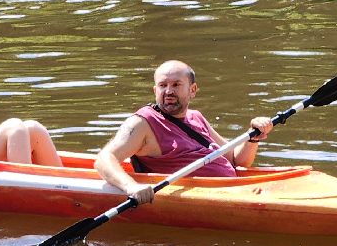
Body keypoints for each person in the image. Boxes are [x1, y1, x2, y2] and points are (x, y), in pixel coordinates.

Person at [93, 60, 274, 205]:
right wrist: (131, 187)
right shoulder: (143, 122)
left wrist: (252, 137)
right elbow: (104, 159)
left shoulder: (196, 117)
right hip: (204, 199)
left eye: (176, 84)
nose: (168, 91)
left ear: (192, 90)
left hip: (232, 190)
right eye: (163, 85)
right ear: (155, 90)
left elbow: (236, 160)